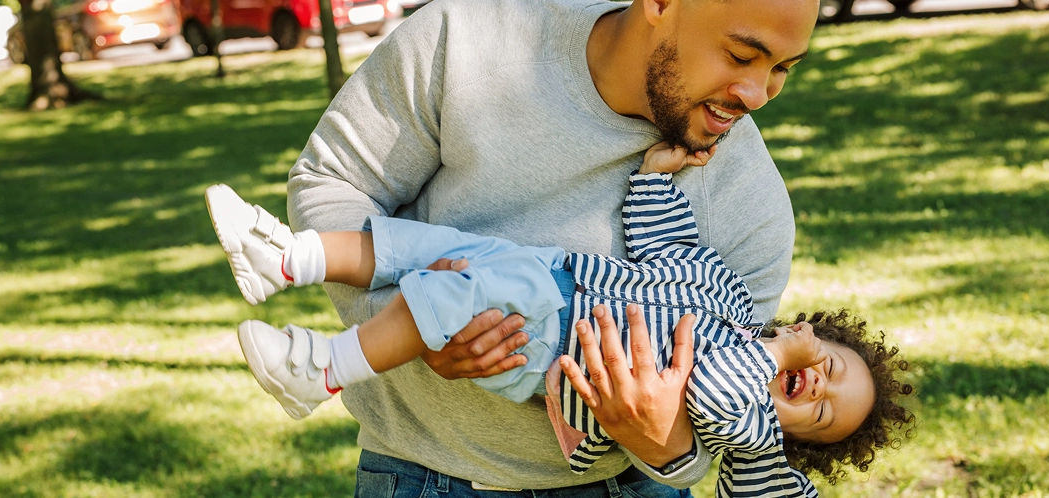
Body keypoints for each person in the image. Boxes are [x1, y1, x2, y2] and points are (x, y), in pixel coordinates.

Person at [285, 0, 820, 494]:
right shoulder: (470, 36)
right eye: (741, 55)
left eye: (782, 69)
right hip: (420, 472)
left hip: (625, 486)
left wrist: (667, 445)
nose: (757, 95)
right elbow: (335, 181)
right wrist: (411, 328)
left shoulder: (753, 206)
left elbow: (726, 422)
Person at [205, 142, 914, 497]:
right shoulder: (728, 300)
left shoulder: (748, 422)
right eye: (834, 369)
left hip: (555, 347)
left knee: (455, 291)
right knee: (430, 248)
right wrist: (654, 180)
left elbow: (710, 390)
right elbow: (670, 254)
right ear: (818, 334)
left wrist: (779, 359)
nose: (818, 387)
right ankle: (285, 258)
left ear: (791, 442)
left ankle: (322, 369)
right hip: (560, 283)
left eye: (824, 414)